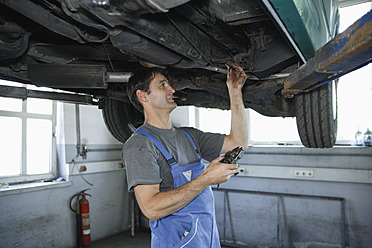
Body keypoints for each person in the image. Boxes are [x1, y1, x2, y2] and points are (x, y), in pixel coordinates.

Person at [122, 62, 248, 247]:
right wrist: (207, 178)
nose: (172, 89)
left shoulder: (189, 136)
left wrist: (235, 91)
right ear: (142, 96)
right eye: (162, 85)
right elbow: (151, 208)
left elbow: (239, 142)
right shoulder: (140, 144)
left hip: (207, 237)